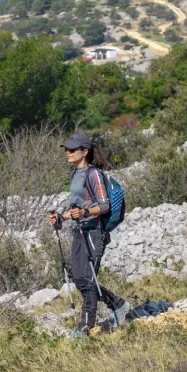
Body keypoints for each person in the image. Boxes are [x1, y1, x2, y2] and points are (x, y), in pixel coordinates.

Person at [48, 133, 129, 337]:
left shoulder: (93, 174)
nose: (68, 152)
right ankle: (117, 304)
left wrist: (83, 213)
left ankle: (85, 327)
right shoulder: (76, 173)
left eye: (72, 150)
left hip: (94, 231)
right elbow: (77, 206)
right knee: (79, 278)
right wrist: (61, 217)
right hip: (80, 230)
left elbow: (103, 206)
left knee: (87, 278)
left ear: (84, 151)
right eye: (66, 149)